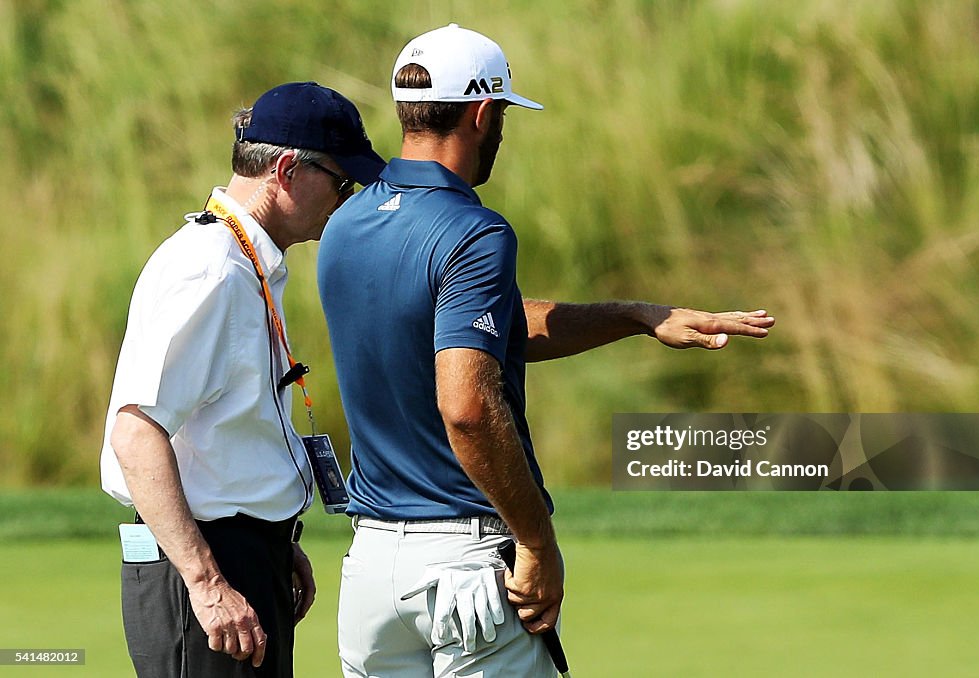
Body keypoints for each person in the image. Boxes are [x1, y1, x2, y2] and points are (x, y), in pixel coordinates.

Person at [317, 24, 775, 677]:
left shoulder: (348, 223)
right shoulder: (474, 232)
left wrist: (636, 316)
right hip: (466, 568)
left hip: (370, 577)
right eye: (501, 112)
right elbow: (468, 404)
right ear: (481, 114)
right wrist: (537, 542)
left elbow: (484, 327)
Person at [100, 81, 384, 678]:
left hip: (241, 554)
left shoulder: (240, 260)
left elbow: (222, 432)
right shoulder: (213, 270)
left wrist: (276, 537)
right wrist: (208, 582)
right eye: (341, 180)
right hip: (204, 568)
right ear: (286, 170)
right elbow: (136, 432)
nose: (346, 197)